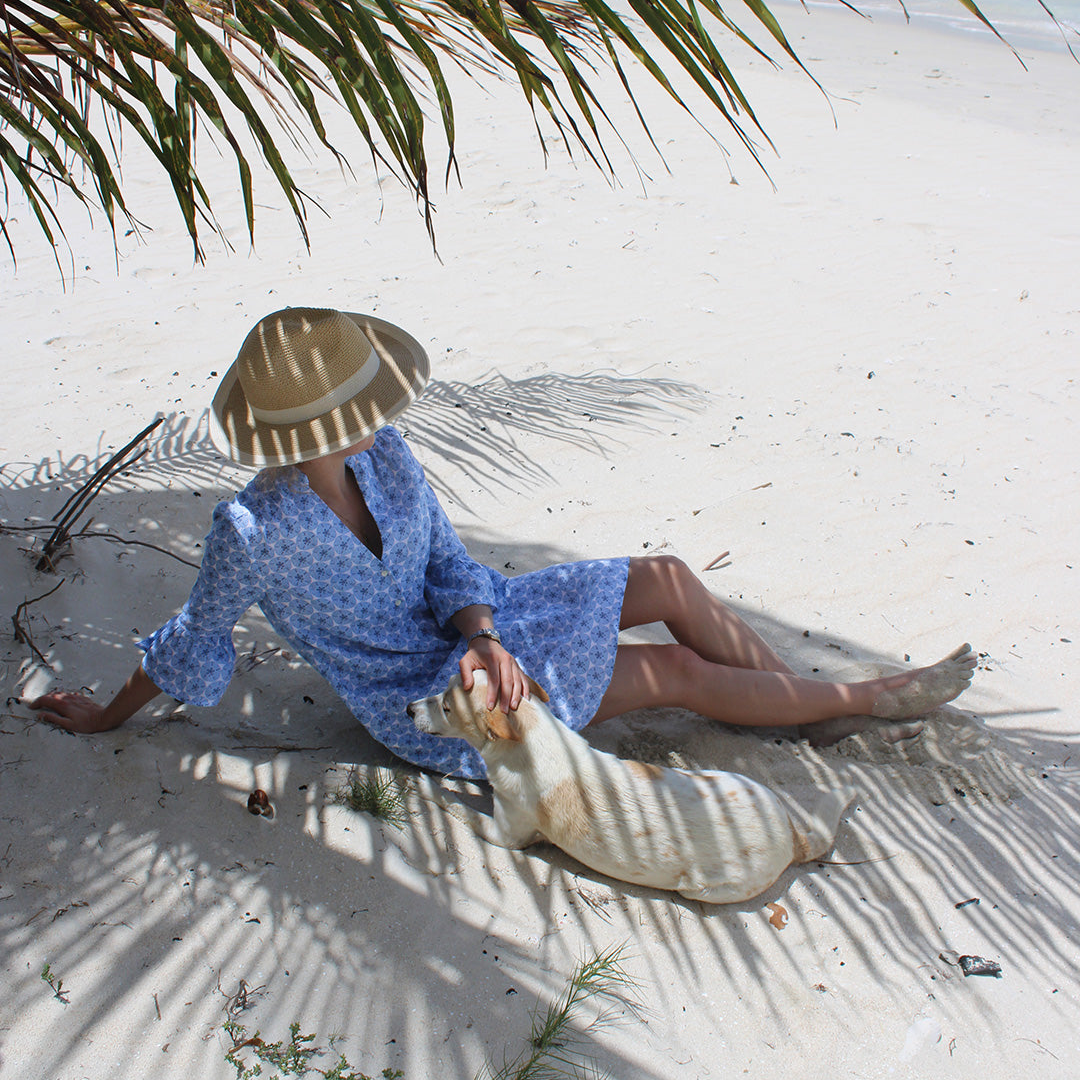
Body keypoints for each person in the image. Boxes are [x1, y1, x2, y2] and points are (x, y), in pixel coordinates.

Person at [30, 306, 976, 779]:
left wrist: (484, 632)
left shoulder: (387, 457)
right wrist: (108, 716)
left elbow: (447, 563)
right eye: (354, 406)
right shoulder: (250, 529)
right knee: (665, 673)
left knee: (671, 581)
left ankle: (805, 707)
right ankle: (859, 701)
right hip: (425, 695)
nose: (378, 411)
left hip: (477, 631)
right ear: (306, 430)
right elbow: (194, 641)